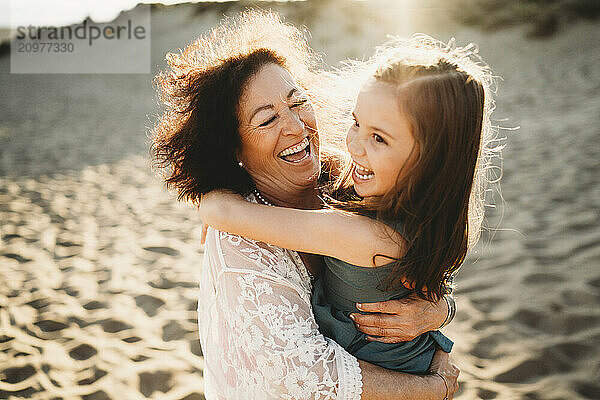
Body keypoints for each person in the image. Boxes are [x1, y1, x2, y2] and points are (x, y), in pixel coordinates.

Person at [151, 10, 459, 399]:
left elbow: (430, 251)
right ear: (232, 150)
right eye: (267, 121)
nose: (296, 127)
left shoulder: (345, 175)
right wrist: (429, 389)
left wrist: (439, 310)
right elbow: (305, 377)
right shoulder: (241, 248)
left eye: (298, 102)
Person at [199, 33, 497, 374]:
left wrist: (214, 193)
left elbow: (220, 212)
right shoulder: (424, 211)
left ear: (430, 161)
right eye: (356, 122)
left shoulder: (365, 236)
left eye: (379, 138)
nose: (353, 146)